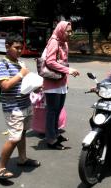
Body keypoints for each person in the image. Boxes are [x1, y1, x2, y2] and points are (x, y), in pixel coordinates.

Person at [0, 33, 40, 180]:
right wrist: (21, 74)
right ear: (7, 46)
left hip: (25, 105)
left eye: (21, 48)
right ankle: (1, 168)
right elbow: (5, 86)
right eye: (16, 48)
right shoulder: (3, 64)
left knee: (22, 134)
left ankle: (22, 159)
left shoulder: (20, 63)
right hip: (13, 108)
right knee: (14, 138)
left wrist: (35, 87)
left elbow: (24, 84)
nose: (19, 51)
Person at [43, 21, 80, 150]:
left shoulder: (64, 43)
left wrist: (66, 78)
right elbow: (50, 61)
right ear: (60, 30)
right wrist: (68, 71)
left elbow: (63, 61)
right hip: (52, 83)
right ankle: (51, 139)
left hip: (61, 82)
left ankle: (56, 134)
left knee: (58, 110)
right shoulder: (54, 41)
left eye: (71, 31)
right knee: (52, 111)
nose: (71, 33)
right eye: (68, 31)